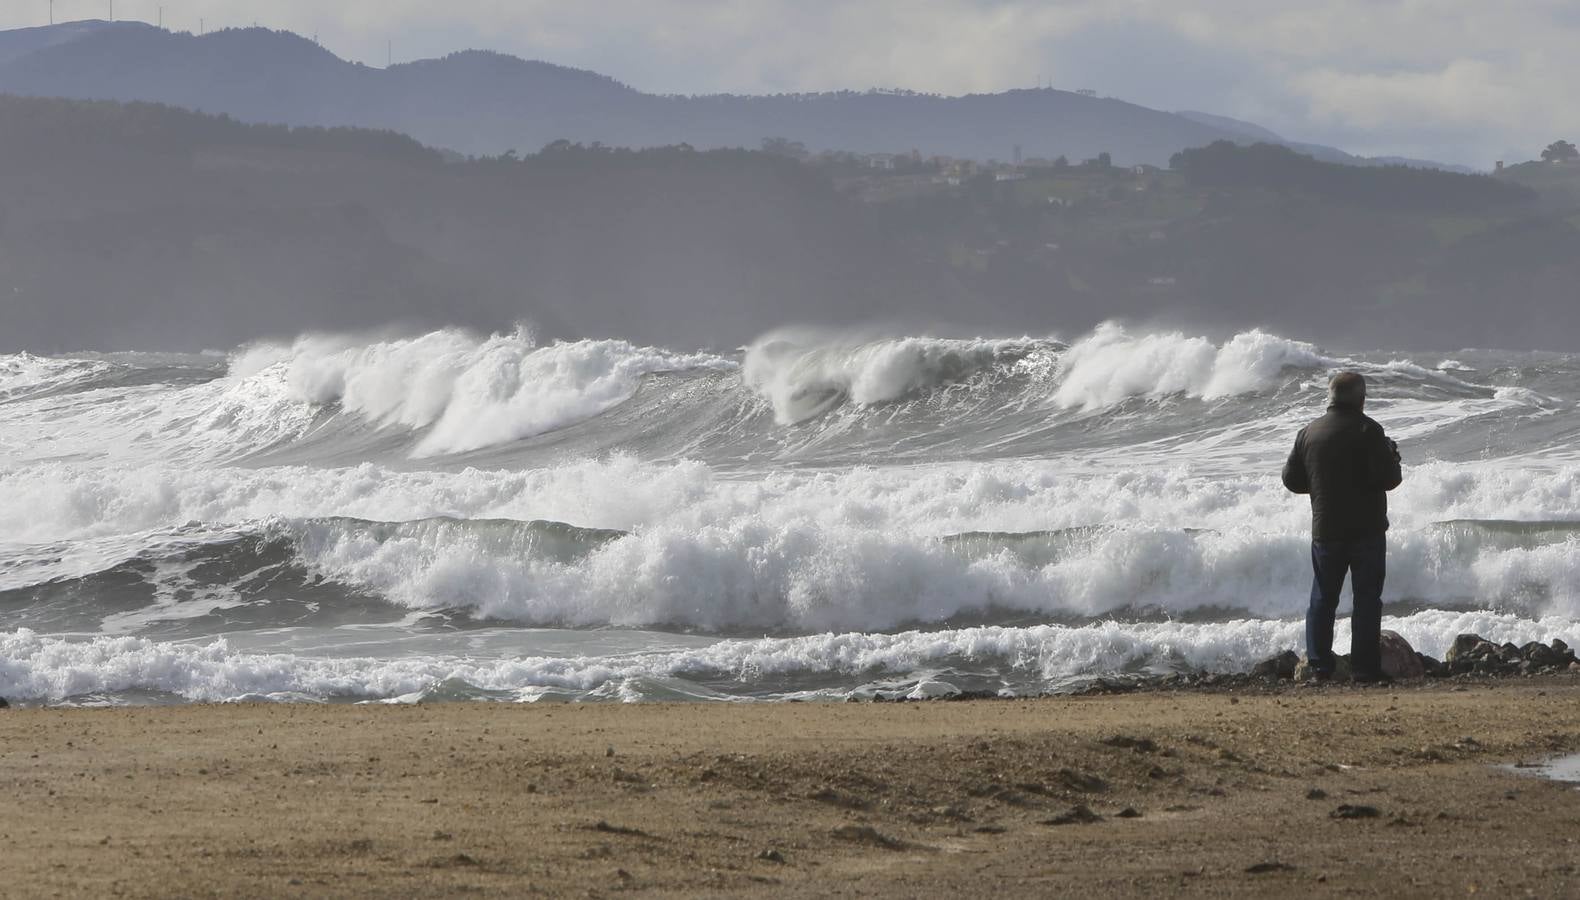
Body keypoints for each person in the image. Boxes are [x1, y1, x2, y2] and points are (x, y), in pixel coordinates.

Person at [1281, 371, 1403, 682]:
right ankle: (1364, 669)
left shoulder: (1308, 433)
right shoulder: (1369, 430)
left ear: (1330, 397)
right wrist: (1392, 456)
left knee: (1322, 598)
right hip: (1367, 531)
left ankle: (1319, 667)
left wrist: (1323, 483)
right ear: (1362, 399)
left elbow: (1291, 480)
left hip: (1326, 530)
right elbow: (1390, 479)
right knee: (1366, 599)